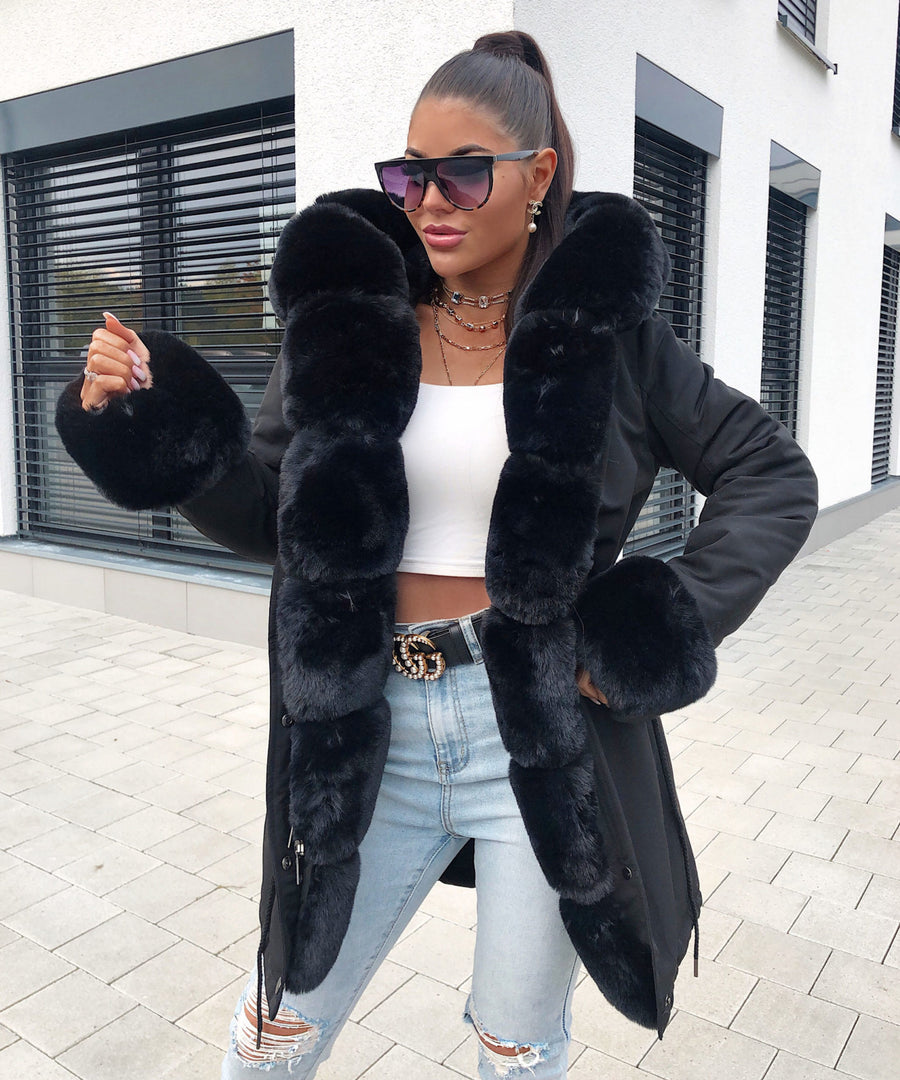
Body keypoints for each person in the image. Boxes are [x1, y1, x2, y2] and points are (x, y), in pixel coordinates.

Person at [56, 30, 818, 1080]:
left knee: (516, 1046)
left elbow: (771, 474)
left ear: (537, 177)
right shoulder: (349, 326)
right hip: (369, 725)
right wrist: (152, 417)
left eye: (463, 173)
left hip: (535, 733)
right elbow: (273, 512)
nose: (429, 201)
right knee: (273, 1033)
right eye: (410, 173)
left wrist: (654, 626)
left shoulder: (609, 339)